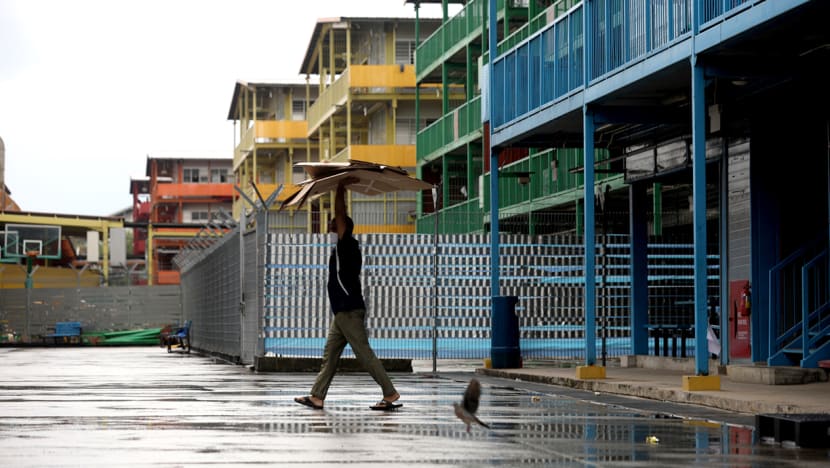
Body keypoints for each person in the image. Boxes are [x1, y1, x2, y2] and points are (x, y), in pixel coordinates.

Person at [294, 179, 401, 411]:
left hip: (349, 311)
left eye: (333, 224)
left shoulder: (346, 246)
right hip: (341, 312)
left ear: (342, 228)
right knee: (330, 356)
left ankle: (390, 393)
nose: (330, 226)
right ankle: (317, 396)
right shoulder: (343, 248)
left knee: (364, 353)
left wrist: (339, 187)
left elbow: (341, 212)